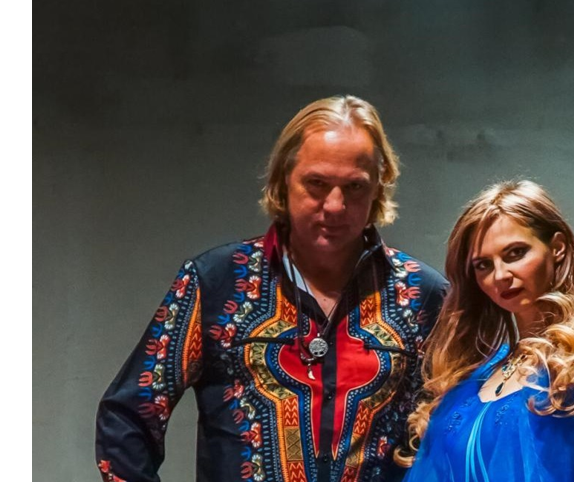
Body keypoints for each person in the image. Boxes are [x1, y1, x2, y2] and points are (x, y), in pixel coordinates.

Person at [95, 95, 447, 482]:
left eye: (355, 187)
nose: (335, 205)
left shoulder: (424, 296)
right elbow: (127, 417)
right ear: (283, 181)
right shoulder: (216, 282)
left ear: (378, 189)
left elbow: (460, 430)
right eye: (317, 183)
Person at [396, 180, 574, 482]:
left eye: (515, 253)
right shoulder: (477, 375)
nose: (500, 275)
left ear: (557, 248)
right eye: (483, 265)